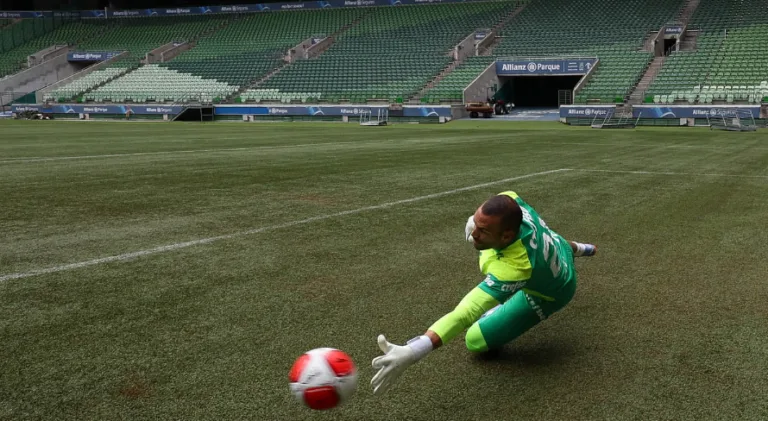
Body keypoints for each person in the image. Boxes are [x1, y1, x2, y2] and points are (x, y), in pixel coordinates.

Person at [371, 191, 597, 395]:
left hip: (554, 292)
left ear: (507, 236)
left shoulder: (514, 268)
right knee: (557, 242)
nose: (474, 233)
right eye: (475, 223)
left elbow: (466, 312)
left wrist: (414, 350)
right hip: (555, 248)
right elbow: (506, 198)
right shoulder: (510, 201)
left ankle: (572, 253)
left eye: (483, 230)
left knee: (474, 340)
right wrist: (478, 224)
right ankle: (582, 248)